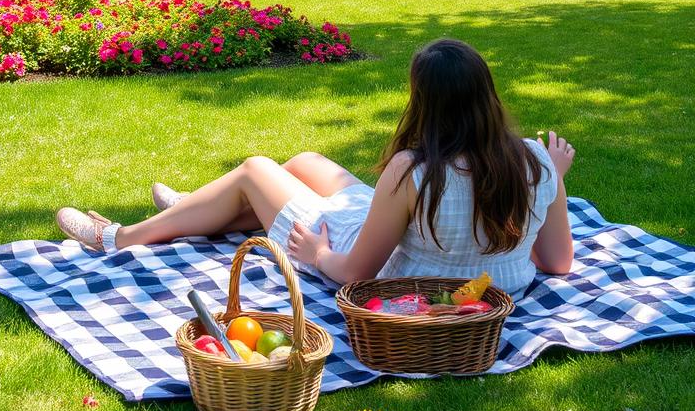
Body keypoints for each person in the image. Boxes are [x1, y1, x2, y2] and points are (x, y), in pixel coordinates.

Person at [55, 38, 575, 298]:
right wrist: (553, 183)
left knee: (255, 170)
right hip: (486, 282)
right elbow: (557, 263)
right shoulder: (535, 160)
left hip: (400, 277)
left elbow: (358, 274)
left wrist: (319, 253)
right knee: (305, 163)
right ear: (487, 95)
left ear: (424, 102)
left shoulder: (410, 170)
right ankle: (199, 211)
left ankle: (119, 238)